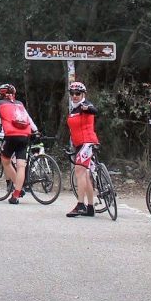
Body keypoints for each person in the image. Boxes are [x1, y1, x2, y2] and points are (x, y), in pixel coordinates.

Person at [0, 83, 37, 205]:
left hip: (11, 136)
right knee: (21, 166)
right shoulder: (20, 104)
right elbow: (28, 118)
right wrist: (36, 131)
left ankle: (18, 186)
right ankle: (16, 194)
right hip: (25, 136)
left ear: (1, 94)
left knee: (5, 161)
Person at [64, 81, 99, 218]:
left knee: (79, 171)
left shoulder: (85, 105)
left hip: (87, 142)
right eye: (72, 93)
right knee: (85, 175)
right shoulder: (73, 109)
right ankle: (90, 207)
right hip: (79, 145)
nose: (75, 96)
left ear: (83, 94)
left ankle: (80, 205)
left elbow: (94, 110)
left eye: (77, 93)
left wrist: (87, 108)